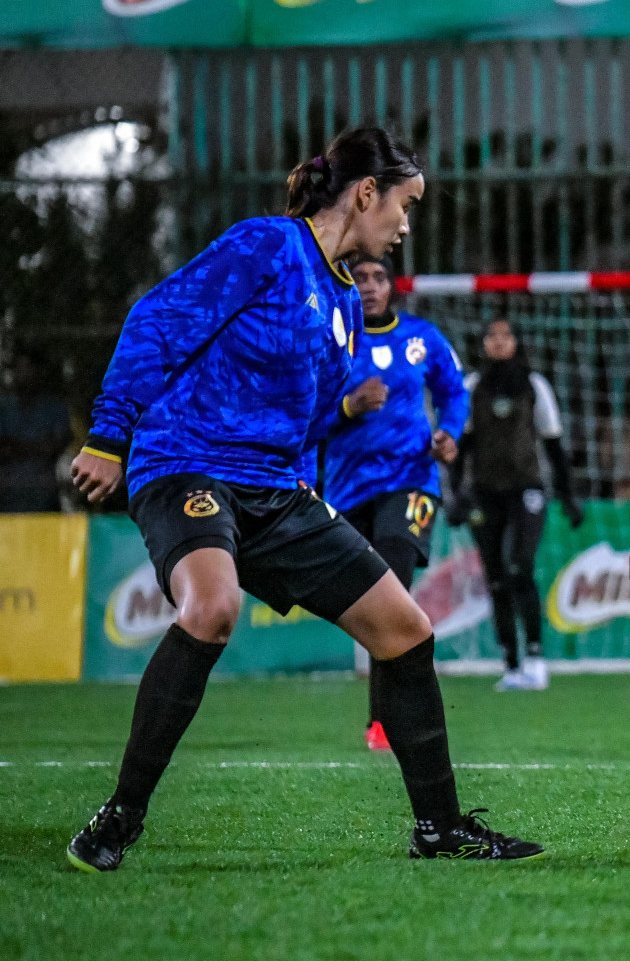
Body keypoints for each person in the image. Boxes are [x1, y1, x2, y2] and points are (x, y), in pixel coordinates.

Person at [65, 128, 543, 871]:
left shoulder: (346, 301)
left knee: (406, 631)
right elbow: (157, 321)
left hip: (276, 491)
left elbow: (314, 416)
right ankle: (119, 817)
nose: (407, 225)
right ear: (364, 194)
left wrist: (346, 424)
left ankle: (440, 829)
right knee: (213, 608)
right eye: (405, 205)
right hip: (187, 465)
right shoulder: (265, 246)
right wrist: (108, 435)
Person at [323, 255, 469, 752]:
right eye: (359, 277)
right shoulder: (332, 340)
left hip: (413, 482)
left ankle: (384, 723)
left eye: (378, 278)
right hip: (346, 490)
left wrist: (450, 433)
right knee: (369, 602)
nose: (368, 286)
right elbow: (304, 416)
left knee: (394, 582)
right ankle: (385, 719)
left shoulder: (423, 338)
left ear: (392, 287)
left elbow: (455, 393)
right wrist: (349, 406)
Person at [449, 319, 583, 691]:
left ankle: (536, 658)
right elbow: (462, 448)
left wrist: (569, 496)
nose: (498, 341)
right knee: (495, 576)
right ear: (483, 343)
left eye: (505, 335)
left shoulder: (534, 386)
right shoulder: (472, 388)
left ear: (516, 341)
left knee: (519, 566)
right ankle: (510, 663)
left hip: (527, 489)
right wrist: (456, 492)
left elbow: (554, 445)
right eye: (491, 335)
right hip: (485, 493)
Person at [0, 352, 74, 512]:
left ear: (38, 372)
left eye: (28, 368)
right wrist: (38, 447)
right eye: (18, 369)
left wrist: (15, 446)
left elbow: (56, 446)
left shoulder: (55, 407)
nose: (23, 374)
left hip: (44, 493)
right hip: (8, 495)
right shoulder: (5, 408)